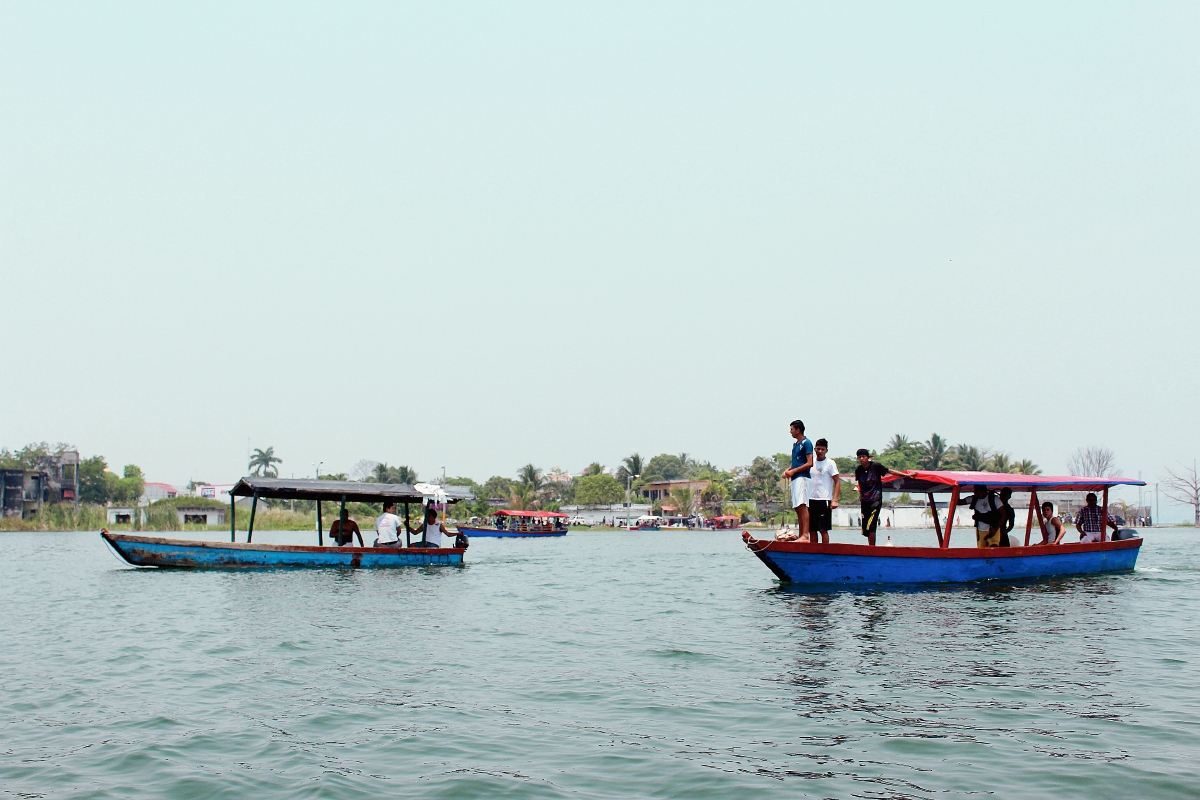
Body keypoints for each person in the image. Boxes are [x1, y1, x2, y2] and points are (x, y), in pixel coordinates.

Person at [854, 449, 910, 546]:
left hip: (875, 499)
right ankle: (870, 547)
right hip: (865, 501)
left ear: (868, 457)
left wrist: (905, 475)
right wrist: (860, 494)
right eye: (860, 457)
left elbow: (889, 471)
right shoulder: (858, 470)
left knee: (872, 525)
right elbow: (859, 482)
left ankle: (872, 548)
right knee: (865, 528)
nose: (862, 459)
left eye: (864, 456)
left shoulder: (876, 466)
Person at [780, 420, 814, 542]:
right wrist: (788, 470)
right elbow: (796, 462)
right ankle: (801, 536)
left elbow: (810, 463)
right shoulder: (795, 445)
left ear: (798, 430)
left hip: (803, 477)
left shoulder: (807, 443)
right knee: (797, 507)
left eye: (792, 429)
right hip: (795, 478)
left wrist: (794, 471)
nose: (790, 432)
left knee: (803, 505)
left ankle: (805, 535)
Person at [806, 438, 839, 544]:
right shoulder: (810, 462)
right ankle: (813, 552)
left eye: (822, 449)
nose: (820, 451)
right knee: (812, 530)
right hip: (811, 499)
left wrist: (835, 500)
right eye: (818, 449)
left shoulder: (830, 463)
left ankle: (825, 551)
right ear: (815, 449)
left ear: (826, 450)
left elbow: (837, 482)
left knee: (823, 529)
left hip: (824, 500)